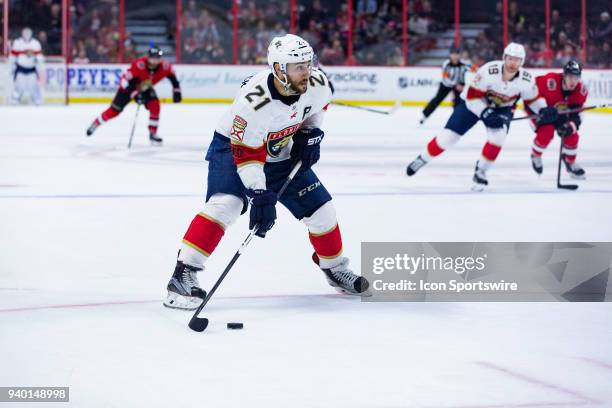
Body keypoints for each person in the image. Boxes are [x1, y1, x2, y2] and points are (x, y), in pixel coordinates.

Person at [163, 34, 369, 310]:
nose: (307, 72)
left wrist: (311, 132)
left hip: (279, 148)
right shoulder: (253, 104)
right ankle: (183, 273)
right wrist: (260, 194)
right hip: (234, 148)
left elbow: (318, 105)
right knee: (228, 204)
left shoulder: (316, 82)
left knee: (322, 210)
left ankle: (334, 269)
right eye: (299, 67)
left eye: (309, 64)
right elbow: (248, 156)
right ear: (278, 70)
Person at [406, 43, 557, 191]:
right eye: (510, 58)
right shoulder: (488, 71)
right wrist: (485, 112)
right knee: (448, 138)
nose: (513, 63)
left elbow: (533, 99)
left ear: (522, 62)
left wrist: (543, 109)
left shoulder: (526, 79)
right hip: (472, 105)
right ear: (504, 57)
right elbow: (472, 96)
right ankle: (422, 159)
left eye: (517, 60)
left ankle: (481, 171)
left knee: (498, 138)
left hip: (501, 110)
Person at [85, 47, 182, 145]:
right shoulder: (139, 65)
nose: (155, 60)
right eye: (153, 57)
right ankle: (96, 123)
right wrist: (134, 94)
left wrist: (177, 91)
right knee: (114, 111)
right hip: (127, 89)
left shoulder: (165, 66)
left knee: (155, 105)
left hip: (145, 87)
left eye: (158, 57)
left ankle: (153, 133)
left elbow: (173, 78)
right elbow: (124, 81)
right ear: (148, 57)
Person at [529, 60, 588, 179]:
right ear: (564, 75)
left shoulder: (581, 90)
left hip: (561, 115)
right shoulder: (550, 81)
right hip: (542, 112)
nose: (573, 81)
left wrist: (571, 126)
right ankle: (536, 155)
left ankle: (569, 161)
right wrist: (541, 108)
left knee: (572, 134)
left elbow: (577, 114)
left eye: (576, 77)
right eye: (570, 76)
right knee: (547, 132)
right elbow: (529, 91)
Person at [419, 47, 471, 124]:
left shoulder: (465, 63)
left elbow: (473, 71)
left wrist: (464, 85)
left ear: (459, 55)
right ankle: (424, 116)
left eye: (456, 54)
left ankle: (457, 119)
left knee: (459, 102)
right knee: (437, 99)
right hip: (446, 84)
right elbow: (445, 78)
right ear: (450, 55)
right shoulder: (446, 64)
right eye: (453, 54)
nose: (455, 56)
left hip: (460, 85)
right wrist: (456, 85)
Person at [9, 27, 44, 105]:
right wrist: (11, 67)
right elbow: (13, 57)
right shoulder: (17, 42)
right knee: (19, 86)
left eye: (28, 33)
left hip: (31, 69)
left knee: (33, 87)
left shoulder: (35, 43)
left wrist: (37, 59)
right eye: (25, 33)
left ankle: (37, 100)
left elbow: (39, 57)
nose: (27, 35)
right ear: (22, 33)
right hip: (20, 69)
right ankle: (14, 100)